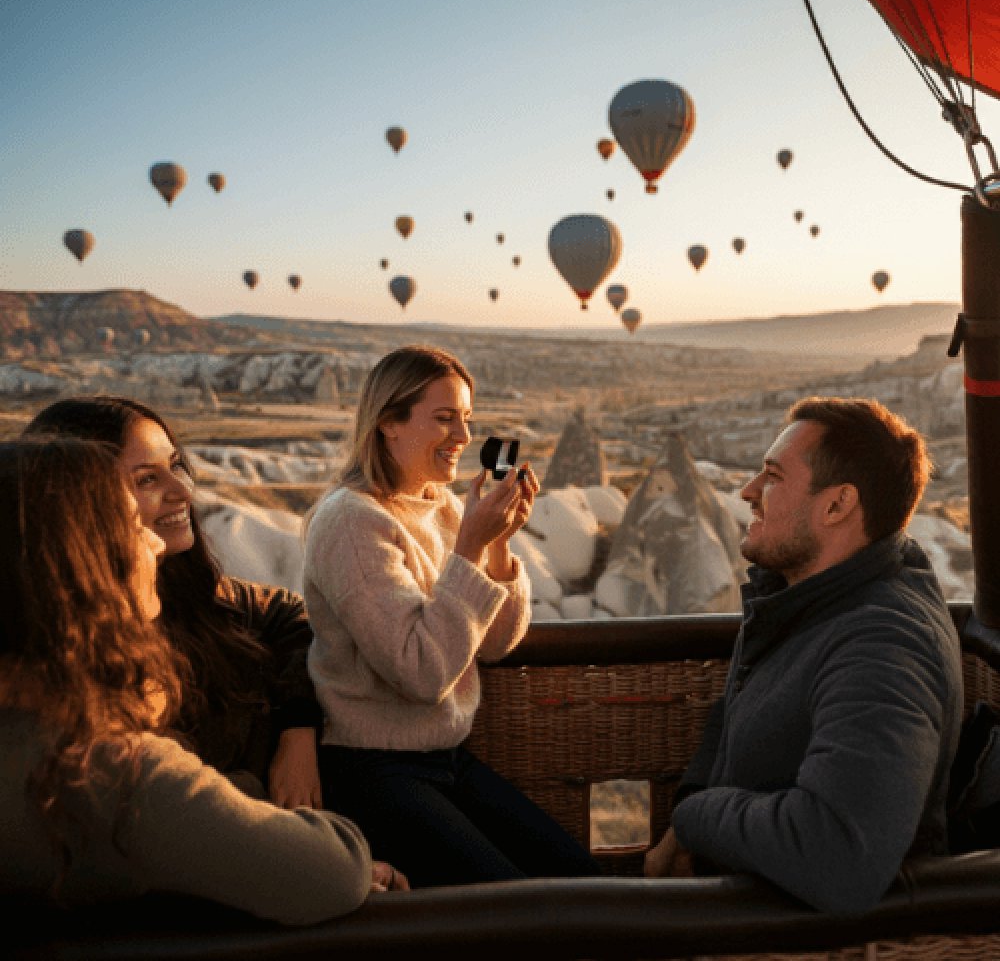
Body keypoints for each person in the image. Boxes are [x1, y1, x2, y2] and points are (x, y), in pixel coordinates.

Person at [0, 438, 402, 924]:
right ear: (82, 570)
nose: (153, 541)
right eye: (131, 525)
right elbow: (333, 872)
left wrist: (241, 792)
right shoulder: (110, 778)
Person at [644, 396, 963, 914]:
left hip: (787, 937)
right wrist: (692, 809)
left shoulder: (882, 644)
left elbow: (839, 855)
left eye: (771, 476)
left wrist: (694, 818)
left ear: (836, 505)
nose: (748, 491)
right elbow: (740, 706)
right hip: (729, 902)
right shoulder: (807, 594)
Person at [303, 345, 599, 887]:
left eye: (466, 419)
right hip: (374, 768)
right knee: (514, 906)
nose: (463, 438)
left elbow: (496, 643)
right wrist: (467, 548)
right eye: (444, 419)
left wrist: (499, 546)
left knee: (578, 877)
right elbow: (423, 673)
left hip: (447, 757)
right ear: (388, 422)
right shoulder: (350, 522)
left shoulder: (440, 505)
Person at [23, 397, 322, 808]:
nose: (181, 490)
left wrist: (297, 729)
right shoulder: (69, 650)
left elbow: (289, 614)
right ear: (80, 504)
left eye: (175, 465)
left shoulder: (191, 591)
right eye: (147, 480)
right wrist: (256, 796)